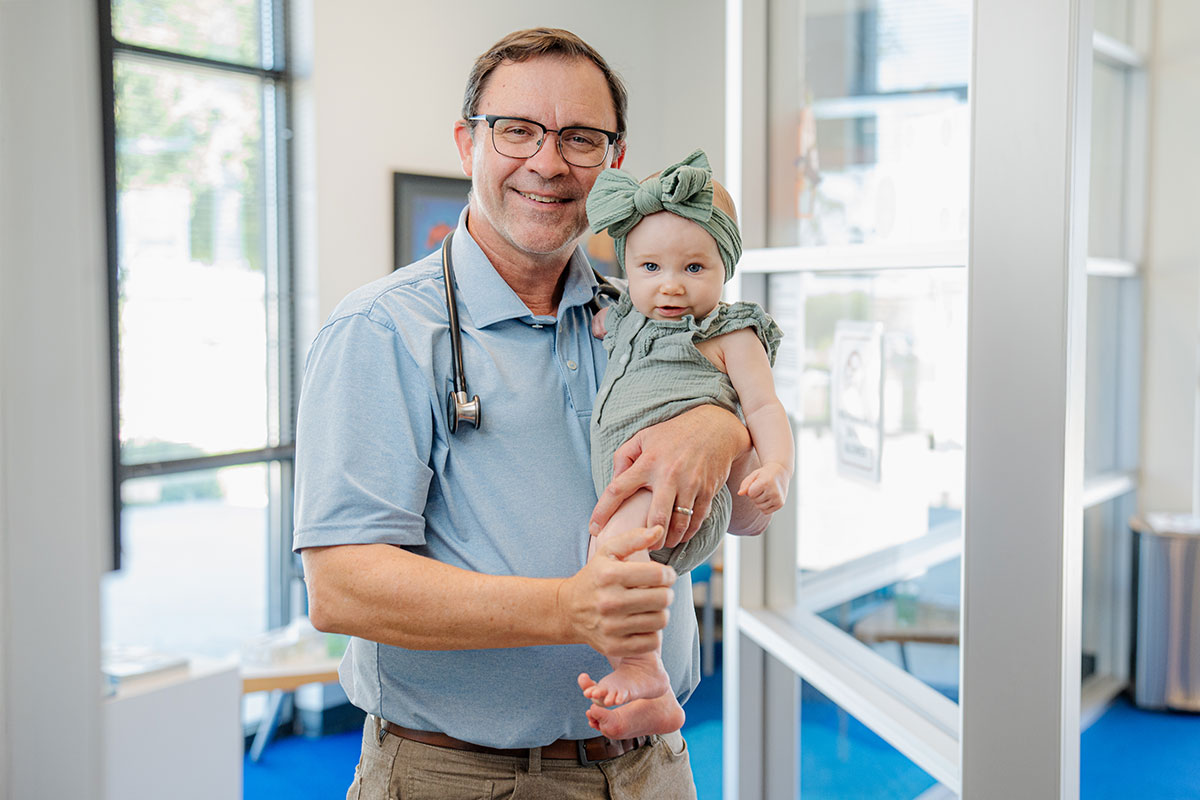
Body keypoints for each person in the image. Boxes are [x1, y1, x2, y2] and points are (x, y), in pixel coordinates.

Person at [294, 28, 759, 800]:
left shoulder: (644, 319)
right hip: (463, 775)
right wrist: (570, 609)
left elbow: (749, 499)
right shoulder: (382, 332)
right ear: (465, 142)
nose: (548, 162)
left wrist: (725, 425)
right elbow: (342, 586)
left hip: (655, 766)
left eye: (581, 137)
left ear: (613, 162)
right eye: (517, 130)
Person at [577, 150, 794, 738]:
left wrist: (774, 465)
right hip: (633, 485)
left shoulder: (730, 332)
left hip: (679, 495)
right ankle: (648, 679)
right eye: (650, 266)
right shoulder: (626, 317)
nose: (670, 285)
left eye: (694, 268)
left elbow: (766, 406)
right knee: (614, 560)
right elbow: (604, 325)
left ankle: (646, 675)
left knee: (611, 558)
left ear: (725, 269)